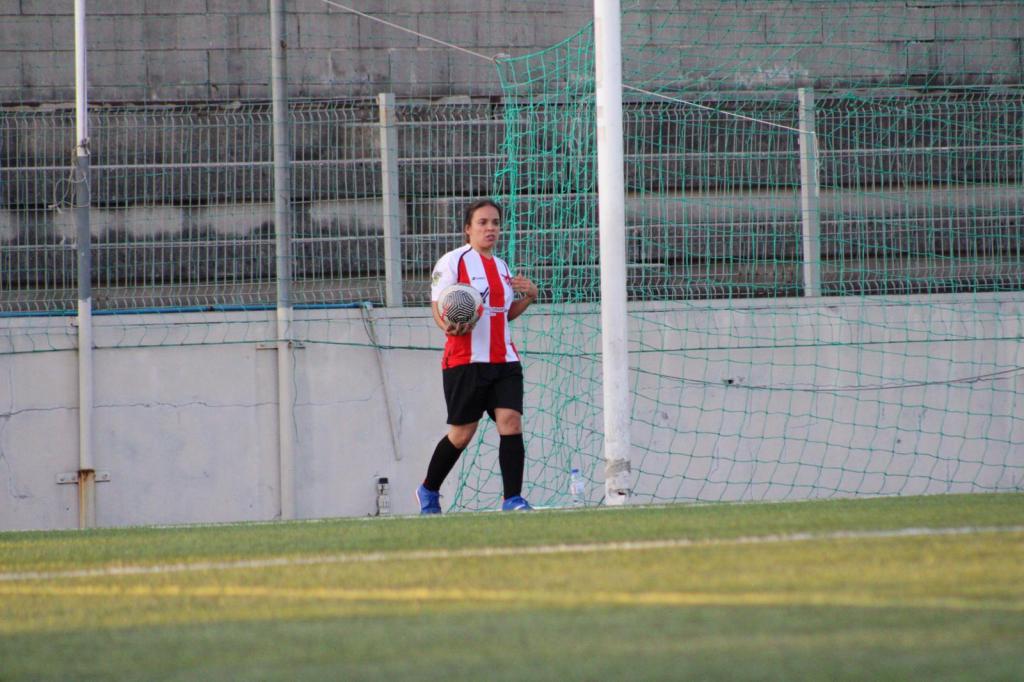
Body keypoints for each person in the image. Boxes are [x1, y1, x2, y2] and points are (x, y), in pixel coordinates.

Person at [416, 199, 539, 514]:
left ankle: (512, 499)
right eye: (483, 222)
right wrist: (447, 325)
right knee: (461, 435)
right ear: (467, 229)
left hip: (505, 360)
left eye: (495, 222)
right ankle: (428, 490)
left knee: (510, 422)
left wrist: (530, 296)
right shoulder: (453, 262)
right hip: (465, 362)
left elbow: (503, 314)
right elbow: (439, 306)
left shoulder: (502, 267)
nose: (490, 228)